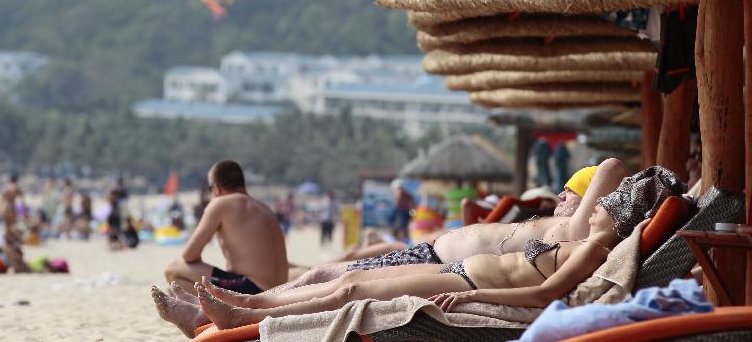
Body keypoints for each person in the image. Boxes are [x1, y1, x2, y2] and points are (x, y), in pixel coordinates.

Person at [180, 167, 682, 330]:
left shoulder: (589, 246)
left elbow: (543, 295)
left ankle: (251, 316)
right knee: (343, 282)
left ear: (616, 214)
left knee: (349, 286)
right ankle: (249, 306)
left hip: (468, 281)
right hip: (461, 269)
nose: (586, 203)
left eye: (600, 202)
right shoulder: (586, 237)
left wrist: (469, 301)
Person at [254, 159, 626, 294]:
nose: (559, 197)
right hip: (435, 255)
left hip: (439, 264)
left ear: (595, 200)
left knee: (323, 277)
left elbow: (612, 167)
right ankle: (243, 308)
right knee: (322, 275)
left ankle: (240, 315)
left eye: (570, 191)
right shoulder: (560, 230)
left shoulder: (574, 235)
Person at [159, 160, 288, 332]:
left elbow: (189, 255)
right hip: (283, 293)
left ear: (217, 188)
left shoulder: (221, 203)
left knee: (173, 269)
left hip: (253, 291)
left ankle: (203, 316)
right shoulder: (265, 208)